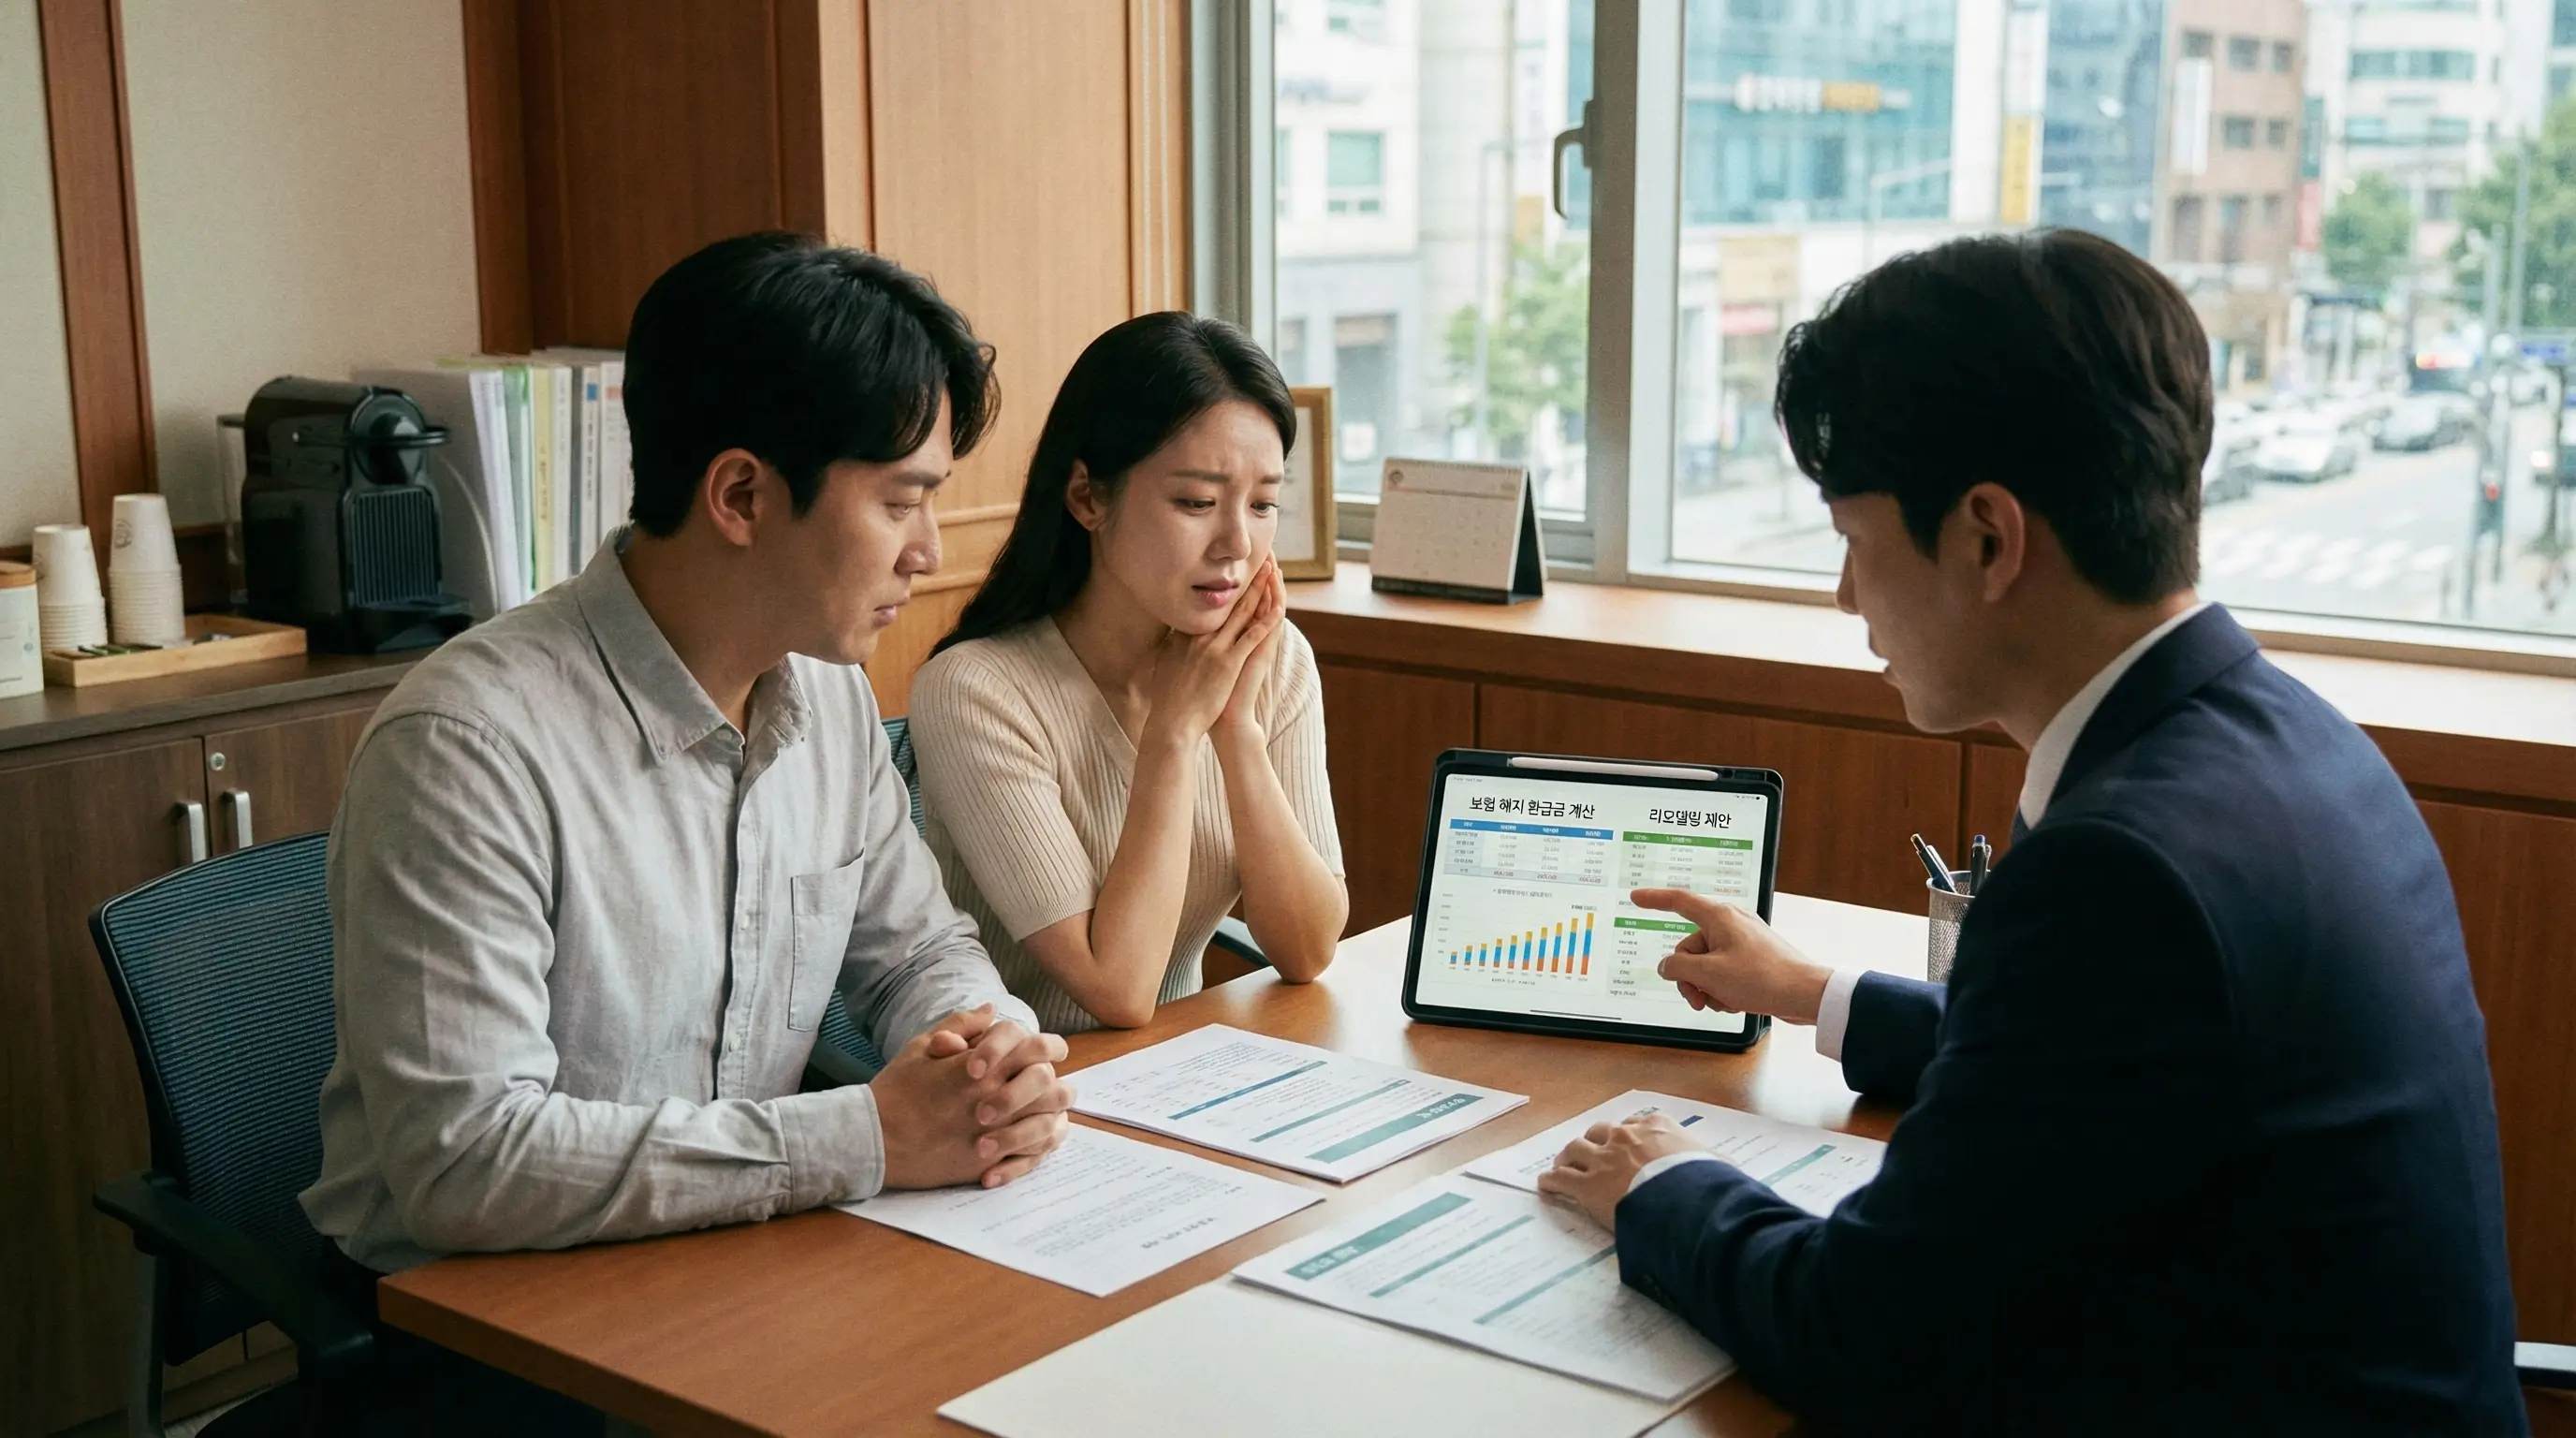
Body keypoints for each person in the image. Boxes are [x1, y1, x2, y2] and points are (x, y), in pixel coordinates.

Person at [1539, 230, 2523, 1432]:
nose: (1845, 596)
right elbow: (2096, 1066)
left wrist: (1663, 1186)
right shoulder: (2281, 738)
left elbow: (1867, 1335)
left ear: (1987, 540)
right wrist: (1818, 992)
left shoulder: (2121, 869)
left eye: (1852, 542)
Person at [303, 233, 1075, 1430]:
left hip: (741, 1264)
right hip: (487, 1342)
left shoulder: (823, 696)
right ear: (741, 496)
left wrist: (984, 1054)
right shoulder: (467, 744)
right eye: (900, 501)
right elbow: (465, 1166)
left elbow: (918, 948)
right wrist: (864, 1136)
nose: (928, 552)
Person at [909, 312, 1347, 1034]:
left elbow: (1306, 948)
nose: (1237, 543)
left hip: (1176, 1075)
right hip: (1026, 1090)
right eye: (1197, 502)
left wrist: (1236, 728)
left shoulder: (1274, 661)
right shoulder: (976, 691)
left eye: (1264, 503)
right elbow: (1116, 992)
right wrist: (1174, 732)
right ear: (1087, 497)